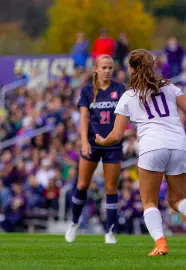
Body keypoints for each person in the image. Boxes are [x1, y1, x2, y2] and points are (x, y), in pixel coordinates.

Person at [95, 49, 186, 256]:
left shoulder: (129, 96)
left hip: (152, 147)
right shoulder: (169, 87)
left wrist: (103, 141)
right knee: (177, 200)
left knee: (149, 202)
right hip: (179, 146)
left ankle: (161, 243)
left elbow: (117, 135)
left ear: (131, 69)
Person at [65, 54, 125, 244]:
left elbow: (125, 115)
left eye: (110, 68)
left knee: (110, 187)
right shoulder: (87, 91)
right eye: (104, 67)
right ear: (96, 69)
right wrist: (84, 141)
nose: (107, 71)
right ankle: (74, 223)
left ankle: (110, 232)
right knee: (82, 184)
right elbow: (84, 118)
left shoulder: (120, 89)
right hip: (91, 142)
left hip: (113, 144)